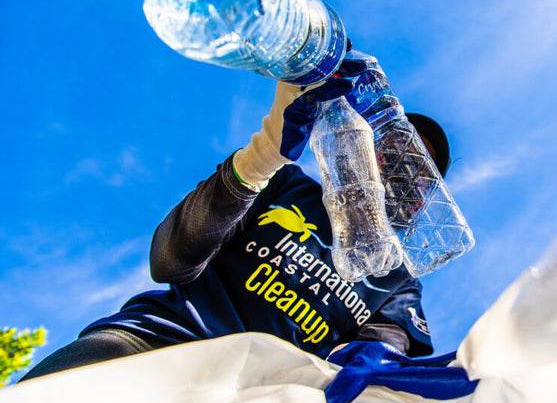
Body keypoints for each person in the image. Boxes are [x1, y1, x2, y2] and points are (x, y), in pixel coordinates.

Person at [19, 49, 450, 382]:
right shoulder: (284, 185)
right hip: (155, 346)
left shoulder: (398, 280)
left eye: (419, 170)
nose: (401, 170)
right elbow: (169, 259)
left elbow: (379, 361)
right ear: (359, 146)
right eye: (394, 150)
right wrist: (262, 156)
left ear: (421, 202)